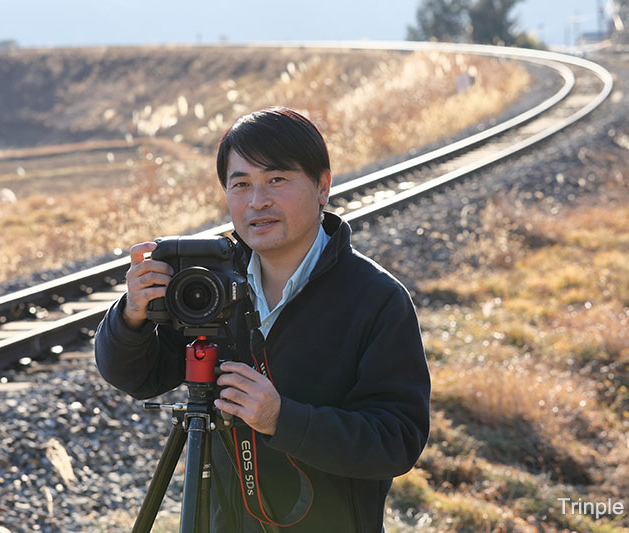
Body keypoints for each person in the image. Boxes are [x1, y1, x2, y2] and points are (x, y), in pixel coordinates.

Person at [95, 106, 431, 532]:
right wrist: (131, 316)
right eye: (241, 185)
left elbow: (396, 441)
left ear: (322, 186)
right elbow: (138, 376)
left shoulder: (377, 299)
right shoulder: (212, 288)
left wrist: (281, 419)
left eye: (277, 180)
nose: (258, 201)